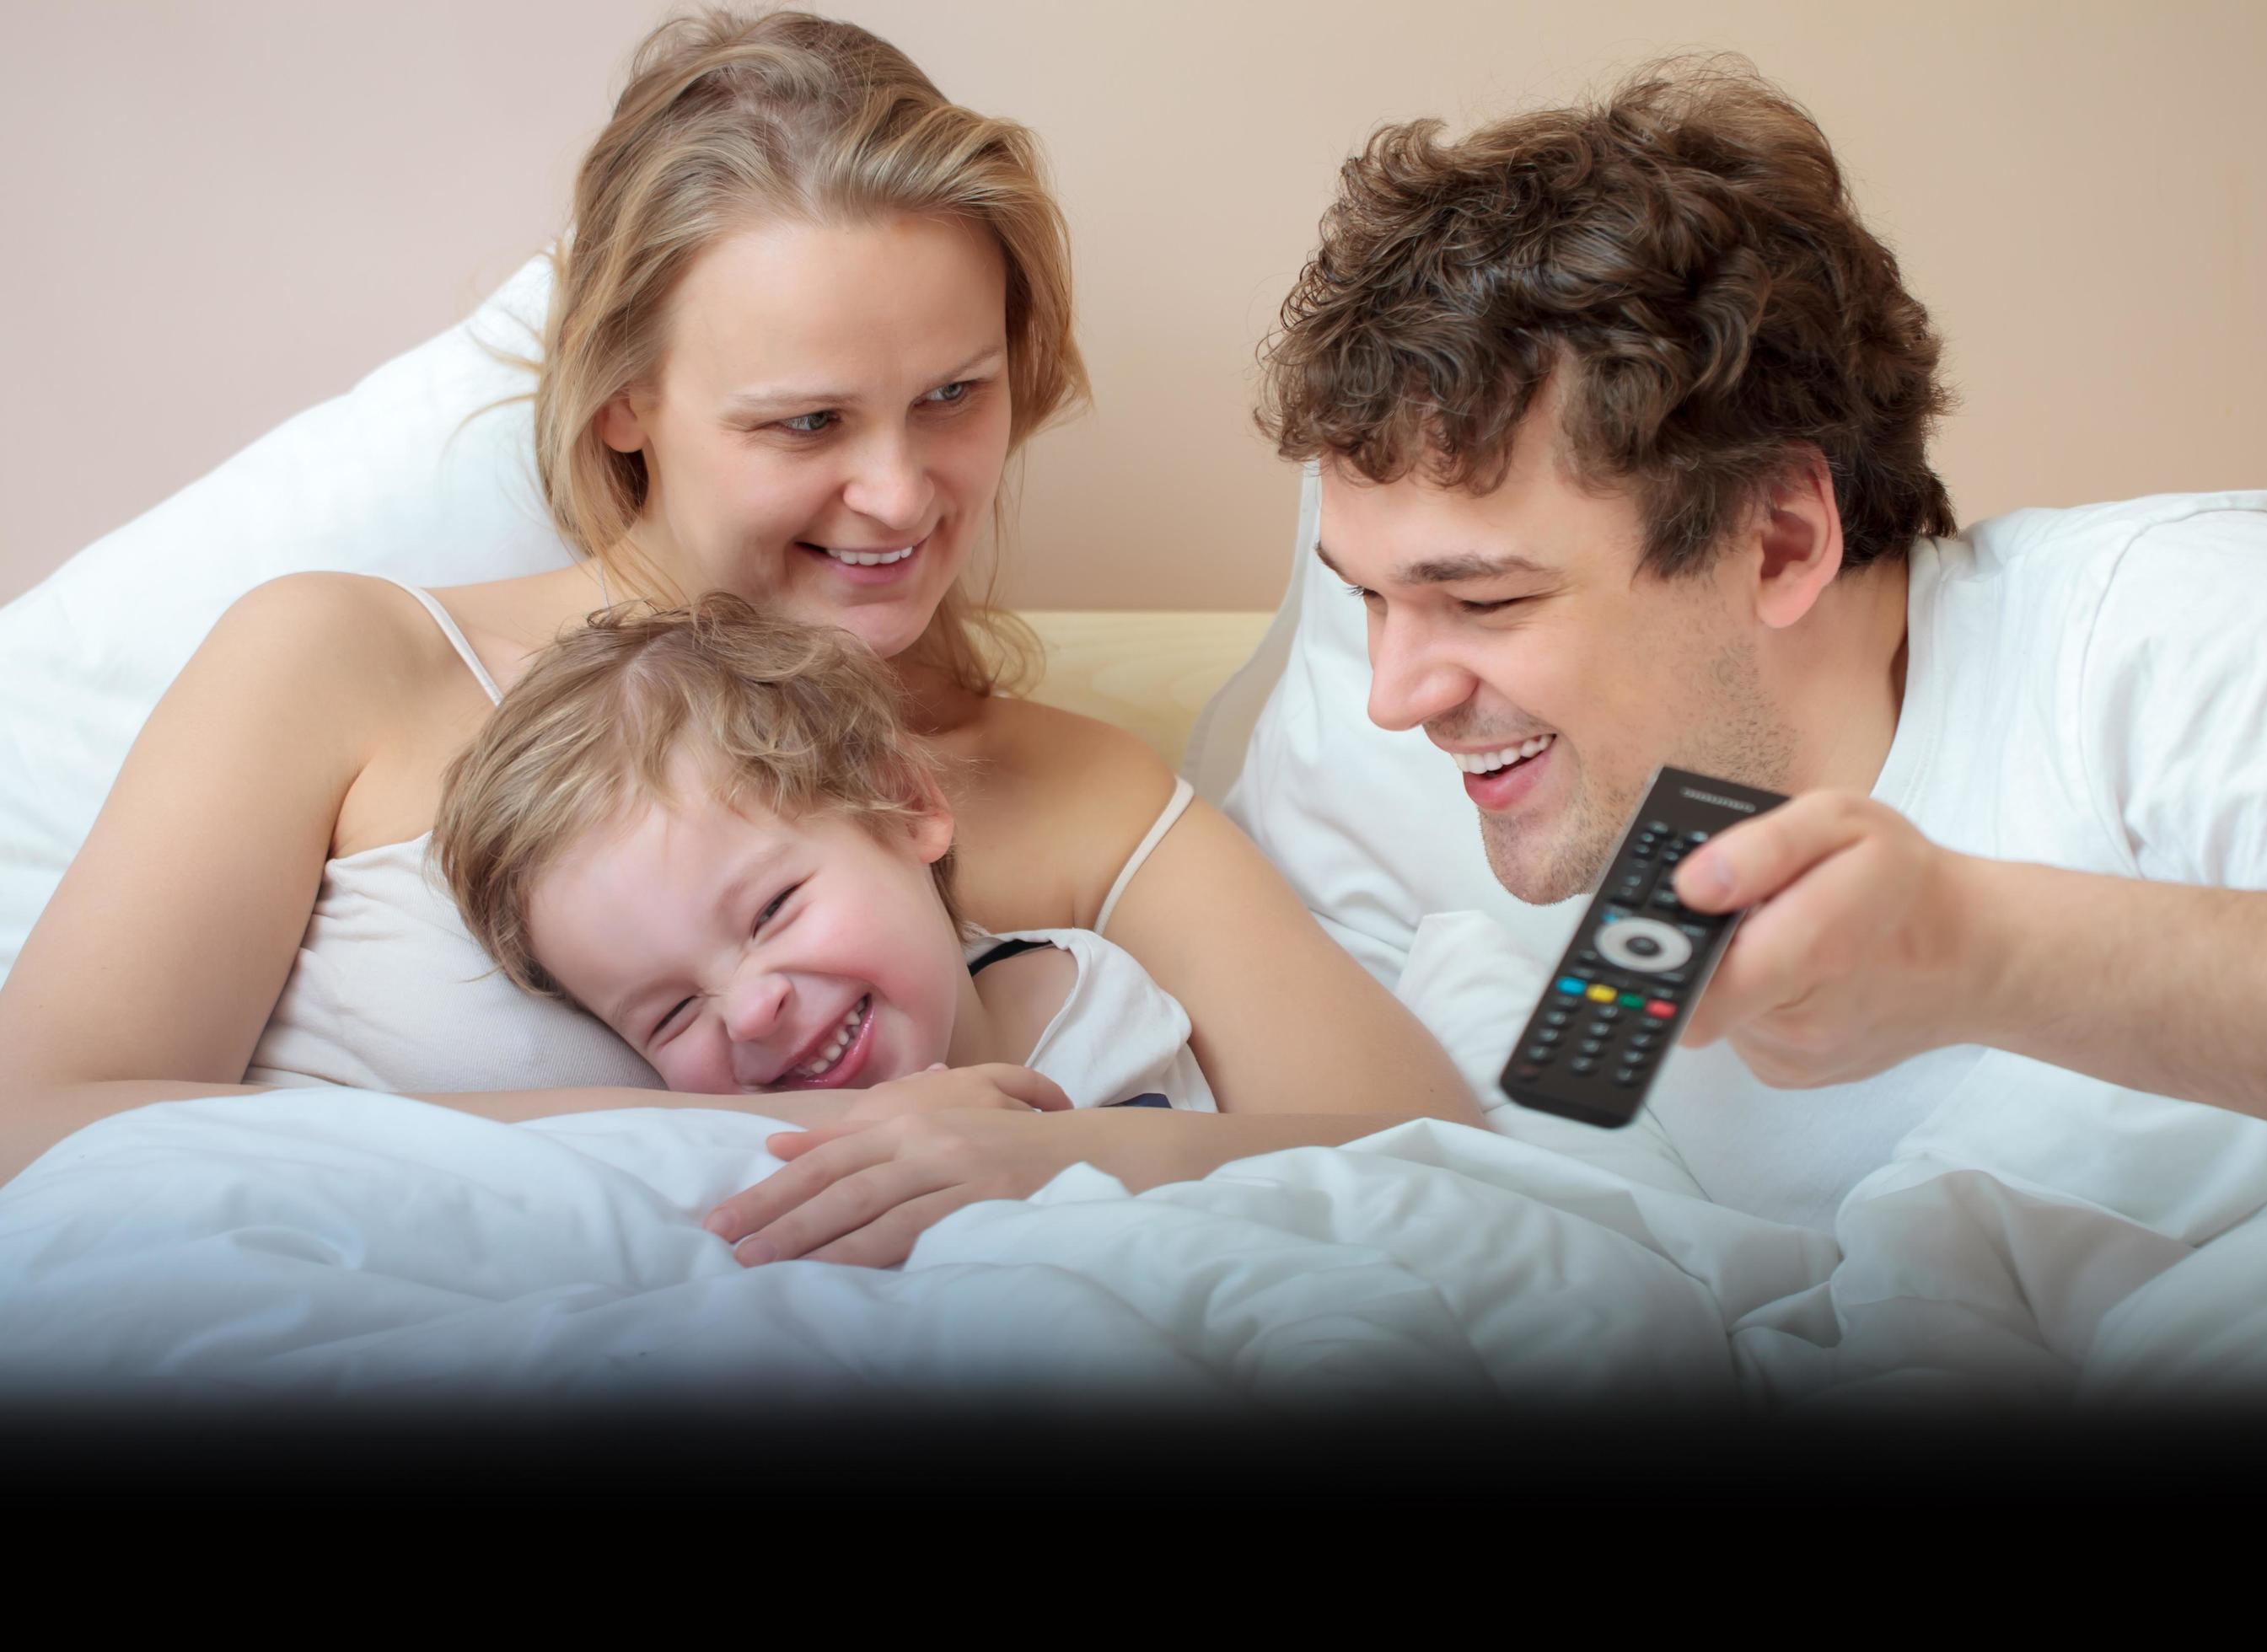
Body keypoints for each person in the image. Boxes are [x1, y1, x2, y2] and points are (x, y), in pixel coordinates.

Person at [0, 9, 1475, 1193]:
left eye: (952, 395)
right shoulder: (343, 665)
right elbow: (43, 1126)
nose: (900, 496)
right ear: (628, 401)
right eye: (806, 424)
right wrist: (703, 1153)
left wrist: (1049, 1155)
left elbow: (1425, 1155)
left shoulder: (1069, 788)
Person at [1254, 61, 2267, 1229]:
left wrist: (1981, 958)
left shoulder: (2165, 623)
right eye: (1369, 600)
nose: (1393, 697)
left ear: (1783, 540)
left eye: (1484, 604)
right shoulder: (1612, 844)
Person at [434, 596, 1223, 1267]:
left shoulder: (1088, 1008)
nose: (748, 1013)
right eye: (671, 1015)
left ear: (908, 806)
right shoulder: (714, 1149)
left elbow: (1205, 1227)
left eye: (771, 912)